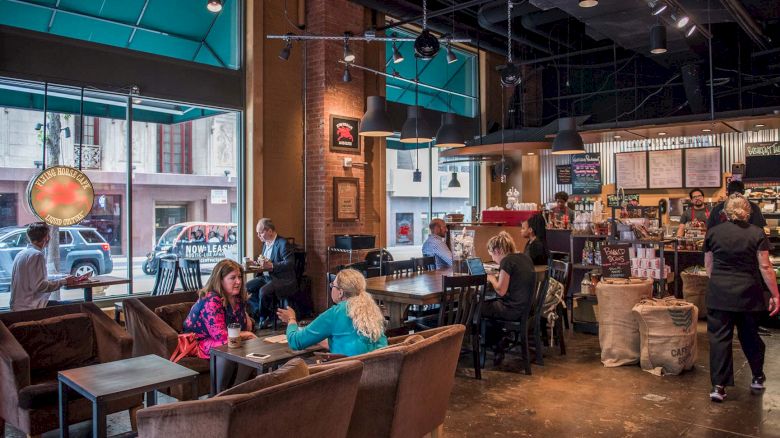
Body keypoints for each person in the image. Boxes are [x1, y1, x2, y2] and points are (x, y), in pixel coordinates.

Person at [703, 195, 779, 402]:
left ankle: (718, 387)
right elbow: (765, 267)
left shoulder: (713, 233)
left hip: (719, 294)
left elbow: (708, 265)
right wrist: (775, 294)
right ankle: (757, 377)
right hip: (748, 294)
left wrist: (720, 282)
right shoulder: (756, 233)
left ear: (725, 212)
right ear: (749, 211)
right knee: (750, 336)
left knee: (719, 339)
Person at [183, 259, 256, 392]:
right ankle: (219, 392)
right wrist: (246, 334)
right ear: (220, 280)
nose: (238, 282)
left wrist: (245, 320)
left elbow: (243, 327)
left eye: (239, 277)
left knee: (247, 344)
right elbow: (219, 334)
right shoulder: (212, 299)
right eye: (232, 278)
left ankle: (238, 388)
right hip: (199, 342)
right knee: (228, 346)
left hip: (220, 339)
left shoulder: (237, 298)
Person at [277, 268, 388, 356]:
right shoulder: (371, 309)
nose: (331, 288)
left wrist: (291, 319)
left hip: (351, 375)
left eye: (332, 286)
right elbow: (354, 340)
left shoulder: (335, 313)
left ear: (340, 292)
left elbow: (296, 342)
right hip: (379, 371)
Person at [483, 232, 537, 364]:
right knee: (488, 307)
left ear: (498, 250)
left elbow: (501, 291)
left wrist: (491, 279)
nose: (493, 259)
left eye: (492, 254)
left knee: (479, 307)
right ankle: (500, 339)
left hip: (512, 310)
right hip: (527, 308)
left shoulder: (506, 261)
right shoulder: (524, 257)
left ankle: (494, 345)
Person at [10, 222, 82, 311]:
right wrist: (64, 281)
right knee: (76, 307)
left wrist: (63, 277)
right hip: (31, 307)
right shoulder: (37, 255)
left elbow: (37, 278)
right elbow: (40, 286)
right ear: (46, 238)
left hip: (18, 306)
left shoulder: (22, 254)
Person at [246, 218, 296, 327]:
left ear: (269, 231)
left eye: (260, 232)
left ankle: (263, 318)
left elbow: (290, 263)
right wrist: (256, 263)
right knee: (246, 288)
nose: (258, 235)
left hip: (281, 279)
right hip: (266, 277)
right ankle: (259, 313)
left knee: (263, 292)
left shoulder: (283, 243)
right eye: (257, 233)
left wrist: (272, 265)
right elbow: (265, 262)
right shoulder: (265, 243)